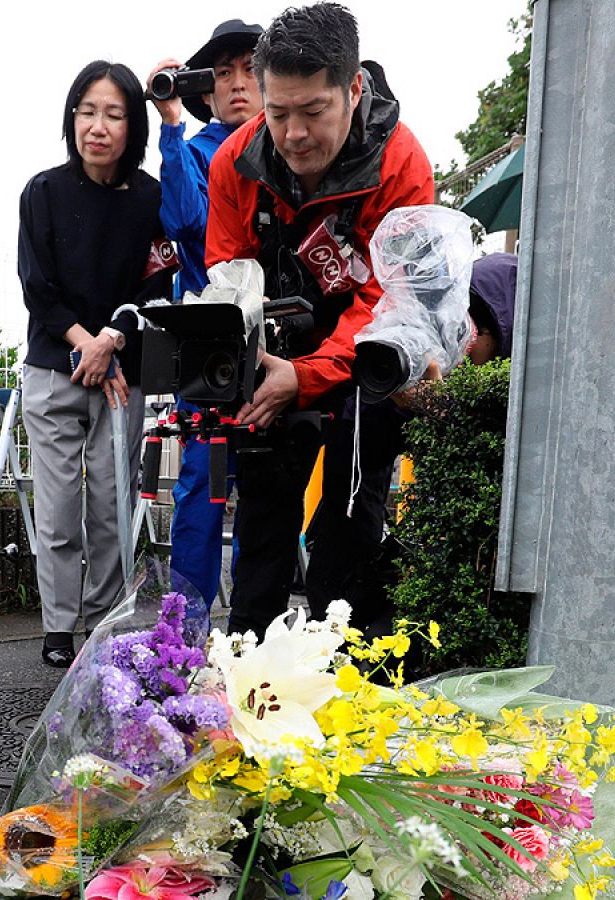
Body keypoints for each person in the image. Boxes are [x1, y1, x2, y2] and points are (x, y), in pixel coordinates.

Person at [202, 2, 435, 639]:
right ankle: (248, 679)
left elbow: (391, 299)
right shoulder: (234, 163)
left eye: (313, 112)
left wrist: (306, 377)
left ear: (354, 88)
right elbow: (228, 277)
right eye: (278, 113)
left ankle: (353, 687)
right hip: (275, 355)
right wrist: (256, 366)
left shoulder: (401, 164)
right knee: (260, 532)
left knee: (346, 539)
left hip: (367, 362)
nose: (294, 133)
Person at [19, 60, 175, 667]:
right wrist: (86, 341)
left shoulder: (150, 198)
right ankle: (58, 629)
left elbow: (159, 282)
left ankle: (105, 624)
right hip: (56, 369)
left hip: (119, 375)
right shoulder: (43, 192)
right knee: (58, 510)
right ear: (72, 118)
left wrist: (111, 337)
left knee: (112, 505)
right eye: (87, 111)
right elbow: (38, 286)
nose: (98, 126)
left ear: (132, 123)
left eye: (113, 113)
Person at [305, 252, 518, 633]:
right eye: (456, 328)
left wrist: (446, 413)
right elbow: (359, 469)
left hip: (465, 584)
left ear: (506, 339)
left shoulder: (505, 404)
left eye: (474, 332)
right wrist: (396, 400)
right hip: (363, 540)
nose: (462, 345)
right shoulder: (423, 344)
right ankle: (333, 635)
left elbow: (467, 507)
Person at [146, 18, 266, 609]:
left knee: (269, 489)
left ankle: (252, 630)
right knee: (203, 485)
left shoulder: (294, 152)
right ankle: (185, 634)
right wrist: (170, 125)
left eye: (250, 68)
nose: (238, 83)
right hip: (209, 348)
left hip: (277, 346)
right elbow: (186, 222)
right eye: (223, 73)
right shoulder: (192, 150)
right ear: (206, 91)